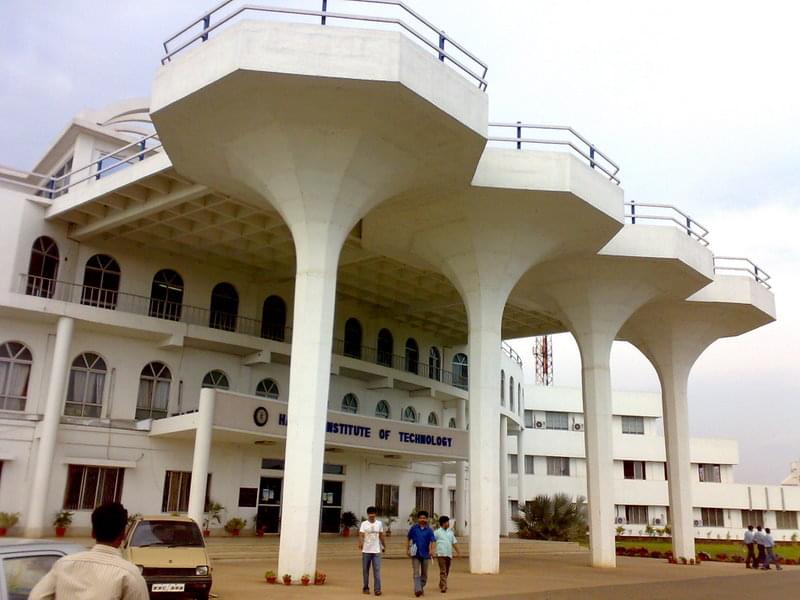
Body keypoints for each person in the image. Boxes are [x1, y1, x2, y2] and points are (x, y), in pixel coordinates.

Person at [29, 502, 149, 600]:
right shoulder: (129, 574)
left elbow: (36, 597)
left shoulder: (64, 564)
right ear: (123, 535)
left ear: (93, 533)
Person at [407, 510, 437, 597]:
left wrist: (432, 550)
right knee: (416, 572)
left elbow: (433, 541)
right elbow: (408, 538)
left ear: (427, 519)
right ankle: (417, 590)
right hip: (415, 553)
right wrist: (407, 549)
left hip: (425, 554)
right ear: (418, 519)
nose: (422, 519)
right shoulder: (414, 528)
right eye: (420, 518)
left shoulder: (429, 530)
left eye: (424, 518)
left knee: (424, 574)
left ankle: (420, 587)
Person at [359, 506, 385, 596]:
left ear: (375, 514)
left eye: (373, 515)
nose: (372, 517)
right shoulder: (364, 524)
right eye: (370, 515)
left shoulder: (379, 524)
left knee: (377, 570)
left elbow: (381, 535)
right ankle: (366, 587)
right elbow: (361, 535)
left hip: (376, 550)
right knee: (365, 570)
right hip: (366, 550)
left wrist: (383, 545)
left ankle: (377, 589)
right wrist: (361, 543)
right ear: (368, 515)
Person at [434, 515, 460, 593]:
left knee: (447, 570)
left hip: (449, 554)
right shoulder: (437, 532)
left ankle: (441, 583)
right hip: (440, 554)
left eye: (448, 522)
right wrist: (431, 550)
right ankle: (444, 586)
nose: (448, 524)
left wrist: (458, 552)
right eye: (446, 522)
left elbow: (454, 543)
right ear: (443, 523)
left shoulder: (450, 533)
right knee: (443, 570)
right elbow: (432, 542)